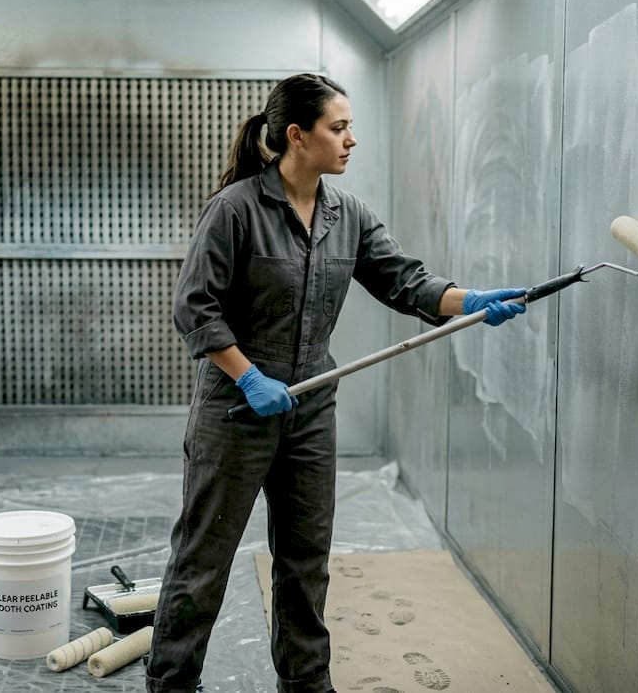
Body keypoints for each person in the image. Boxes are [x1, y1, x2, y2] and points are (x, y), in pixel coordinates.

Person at [144, 73, 526, 693]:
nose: (352, 140)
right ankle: (171, 684)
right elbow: (196, 308)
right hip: (237, 411)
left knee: (304, 565)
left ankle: (306, 686)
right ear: (297, 135)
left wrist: (471, 301)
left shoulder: (348, 215)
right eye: (339, 127)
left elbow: (404, 281)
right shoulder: (236, 209)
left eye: (350, 126)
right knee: (202, 562)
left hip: (311, 411)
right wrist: (247, 377)